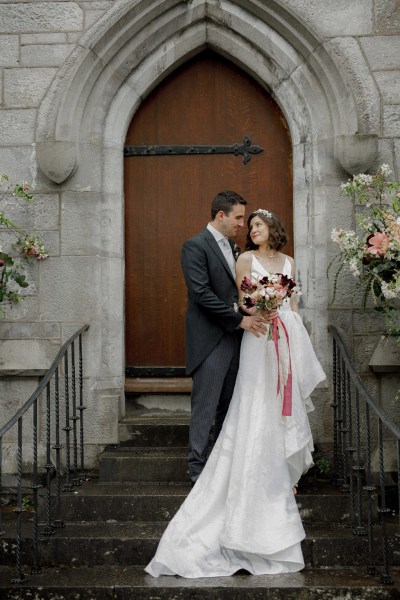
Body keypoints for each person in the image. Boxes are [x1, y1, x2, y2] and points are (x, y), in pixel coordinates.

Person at [145, 208, 325, 578]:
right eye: (249, 224)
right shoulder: (245, 259)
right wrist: (261, 305)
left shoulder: (289, 261)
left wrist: (288, 320)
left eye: (258, 224)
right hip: (257, 337)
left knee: (282, 406)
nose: (252, 229)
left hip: (285, 336)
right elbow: (241, 302)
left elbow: (294, 305)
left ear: (272, 228)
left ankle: (284, 476)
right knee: (255, 404)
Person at [180, 191, 270, 484]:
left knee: (228, 406)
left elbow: (239, 292)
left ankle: (218, 465)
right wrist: (239, 319)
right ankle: (196, 468)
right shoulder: (194, 246)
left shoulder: (234, 249)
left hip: (237, 340)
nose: (243, 224)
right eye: (239, 218)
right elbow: (201, 294)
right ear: (221, 216)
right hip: (211, 341)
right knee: (205, 406)